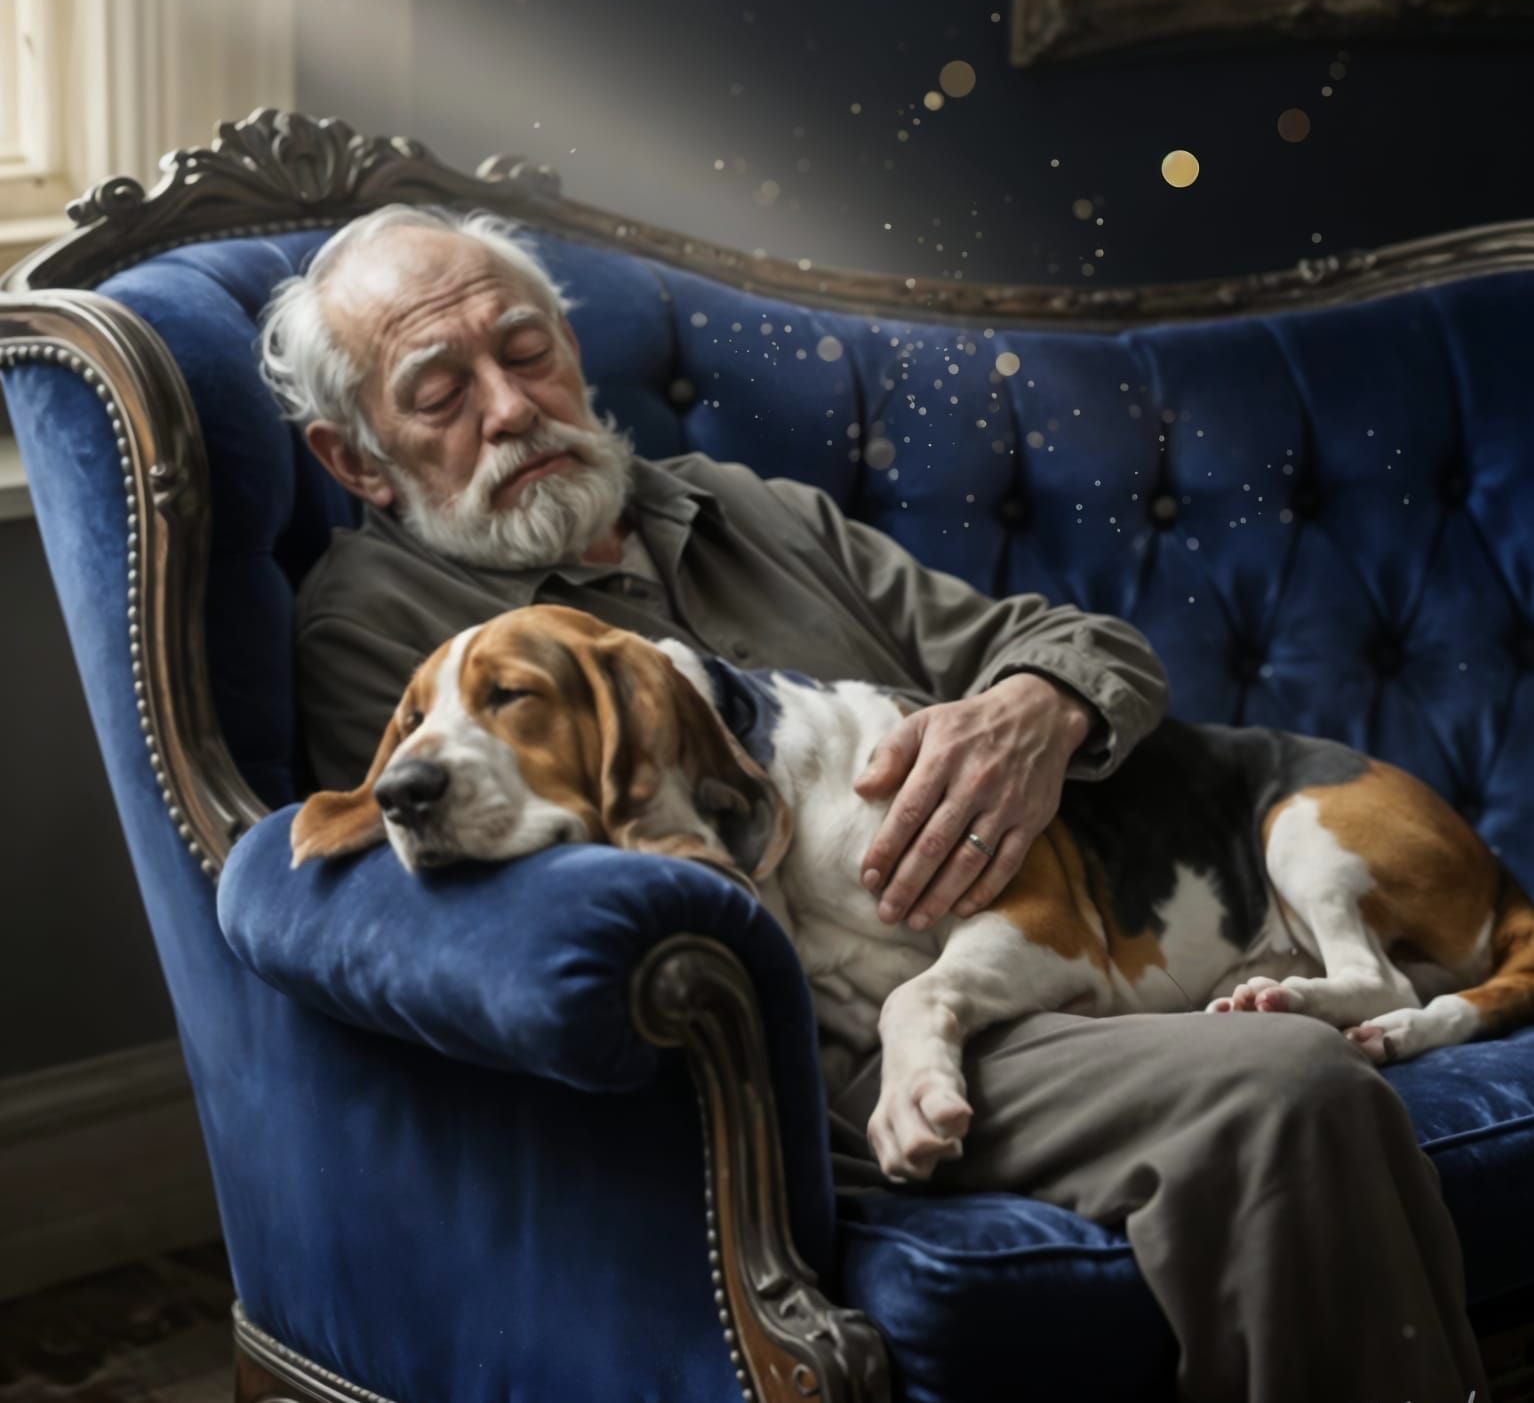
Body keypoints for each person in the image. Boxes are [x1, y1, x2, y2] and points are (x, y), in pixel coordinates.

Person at [259, 204, 1489, 1403]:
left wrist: (1030, 709)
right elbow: (457, 887)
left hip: (1011, 956)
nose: (510, 405)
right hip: (814, 1060)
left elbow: (1076, 643)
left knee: (1297, 1069)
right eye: (440, 392)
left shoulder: (756, 512)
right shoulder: (382, 626)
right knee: (1287, 1085)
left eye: (527, 350)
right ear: (355, 459)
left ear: (572, 351)